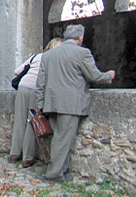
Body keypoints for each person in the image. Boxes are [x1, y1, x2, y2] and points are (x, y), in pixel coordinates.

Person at [36, 24, 115, 183]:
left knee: (59, 138)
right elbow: (94, 76)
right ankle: (54, 174)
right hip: (71, 104)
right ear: (80, 38)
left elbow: (40, 83)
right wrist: (108, 75)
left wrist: (40, 103)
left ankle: (63, 171)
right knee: (63, 140)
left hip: (51, 103)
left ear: (65, 37)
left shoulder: (48, 55)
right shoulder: (82, 53)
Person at [9, 37, 64, 167]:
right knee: (32, 122)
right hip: (36, 89)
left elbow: (17, 71)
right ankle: (27, 157)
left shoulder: (37, 56)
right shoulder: (56, 59)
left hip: (23, 86)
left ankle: (15, 153)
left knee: (19, 120)